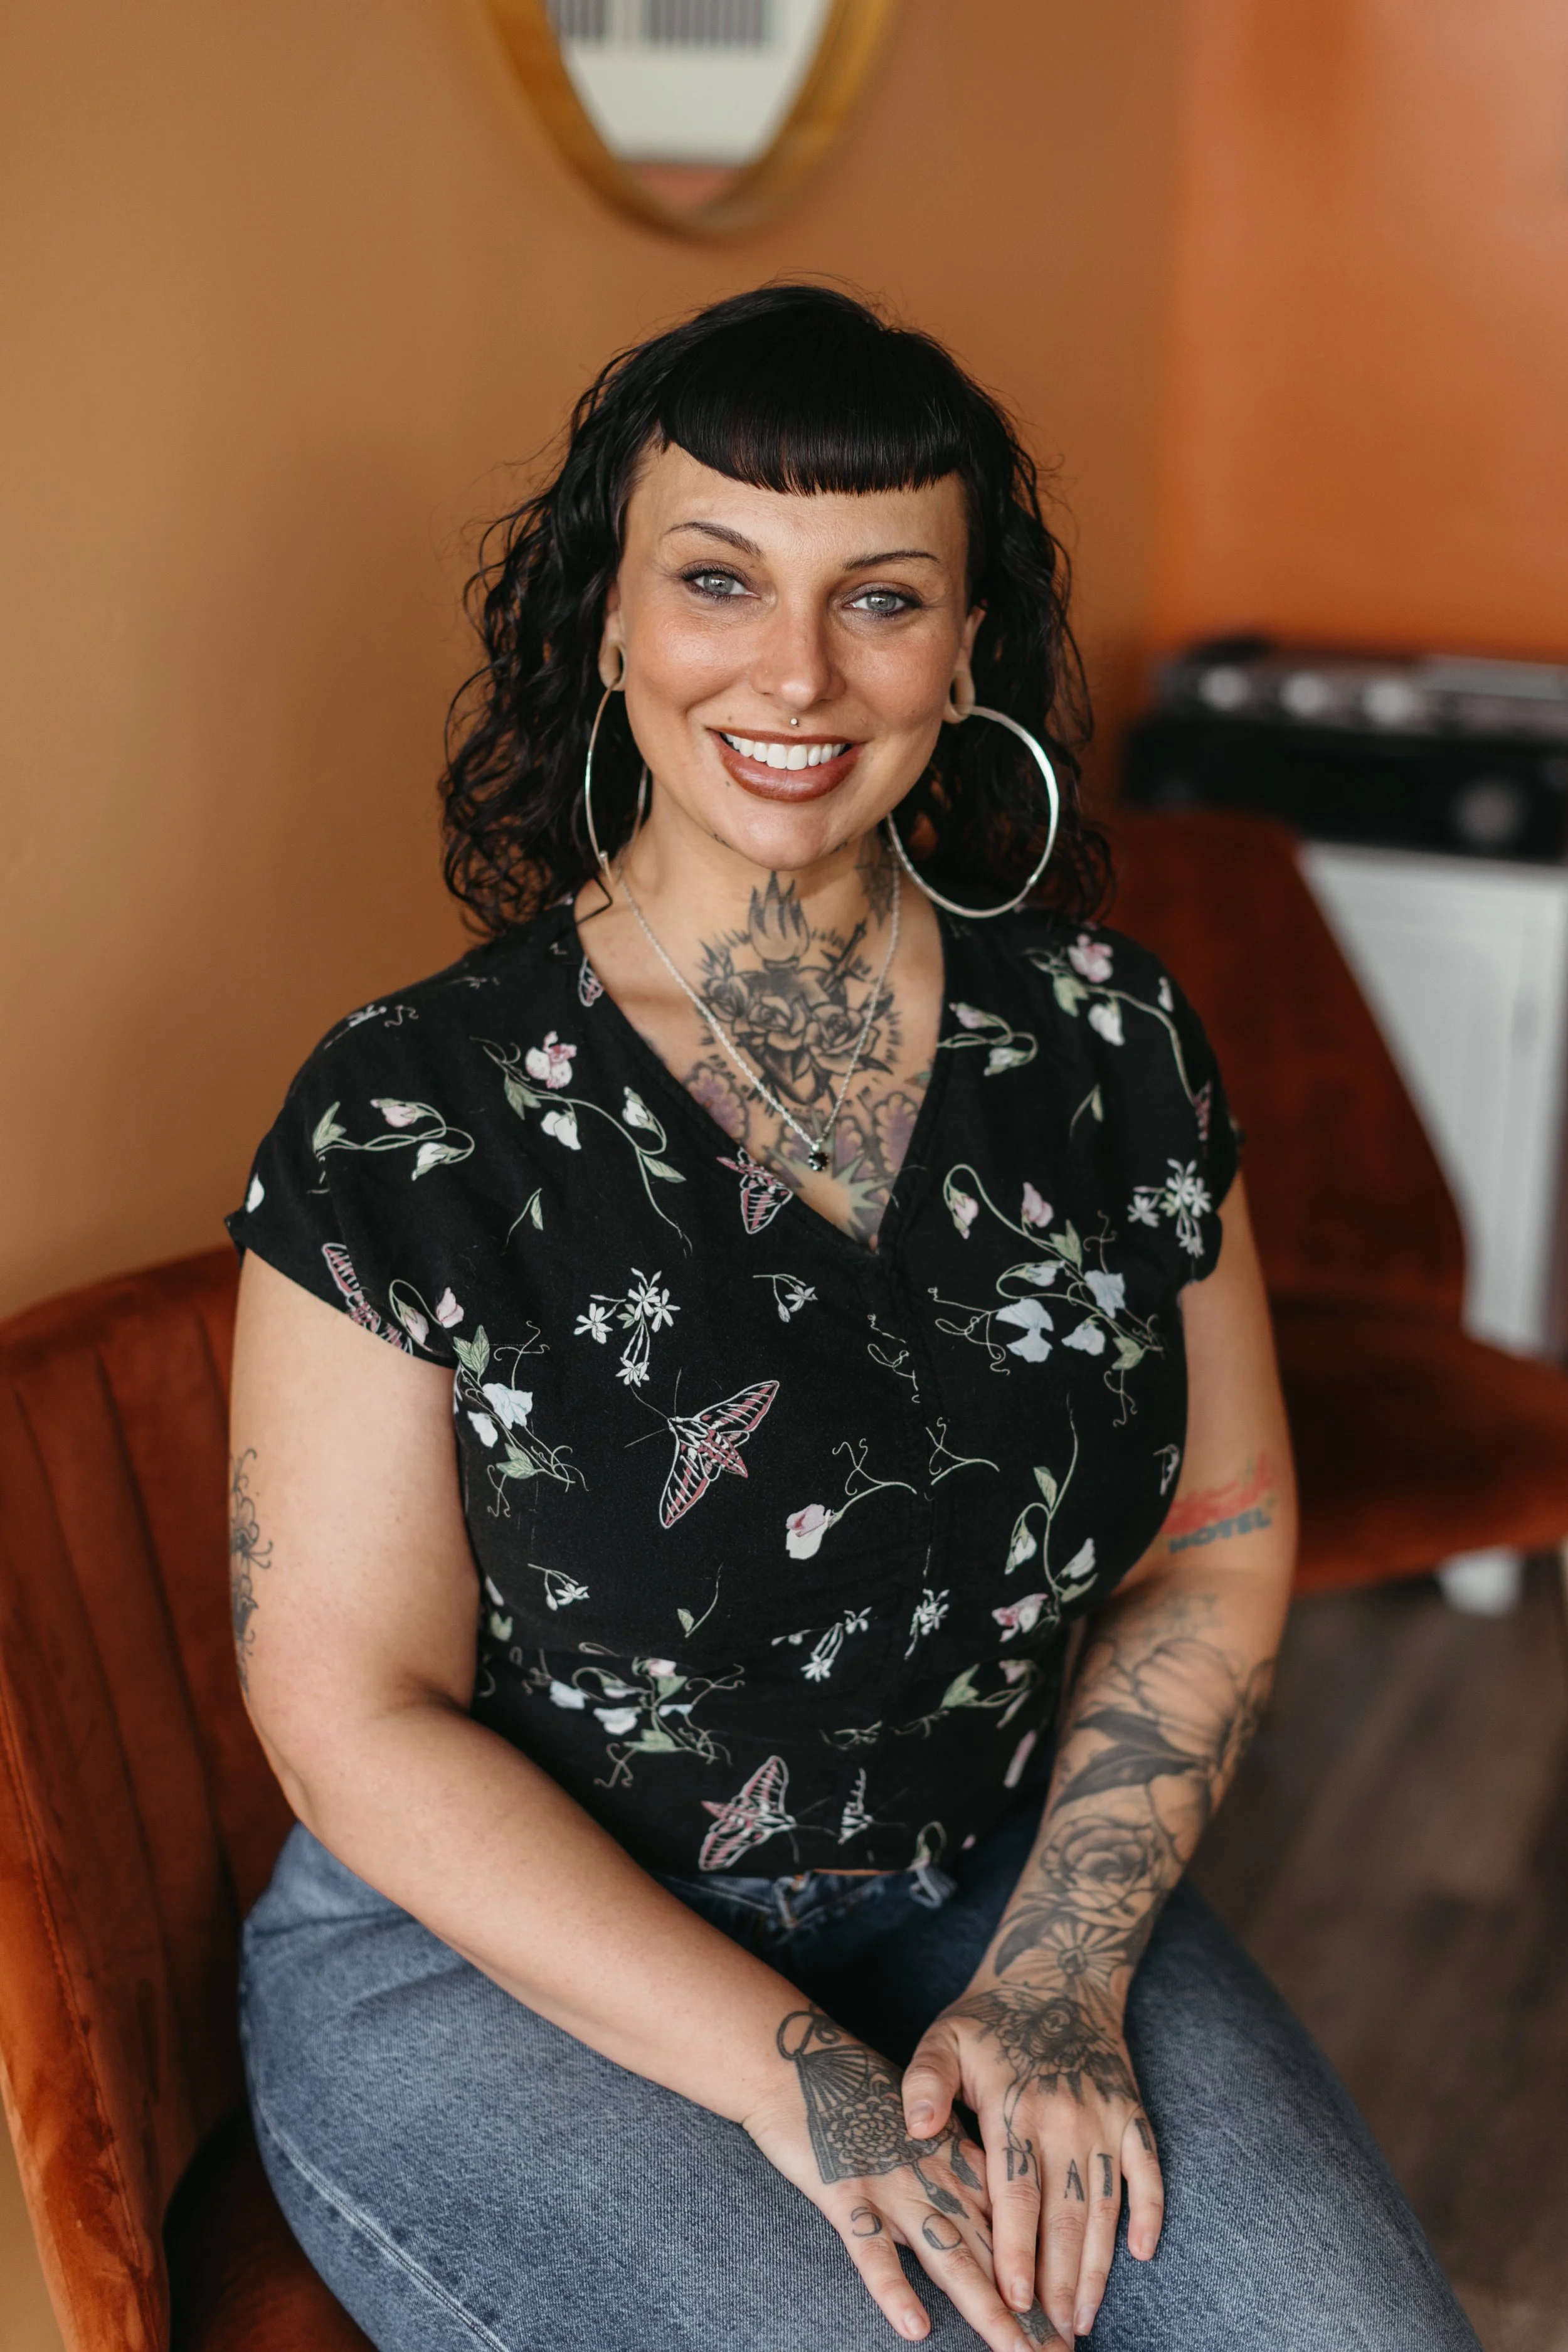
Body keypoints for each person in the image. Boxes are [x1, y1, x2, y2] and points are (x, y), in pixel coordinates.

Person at [228, 285, 1478, 2352]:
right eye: (717, 578)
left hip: (984, 1881)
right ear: (607, 622)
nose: (795, 670)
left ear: (965, 643)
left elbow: (1213, 1544)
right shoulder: (412, 1112)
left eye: (879, 595)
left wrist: (1060, 1968)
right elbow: (348, 1707)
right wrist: (803, 2077)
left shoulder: (1110, 1045)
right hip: (499, 1967)